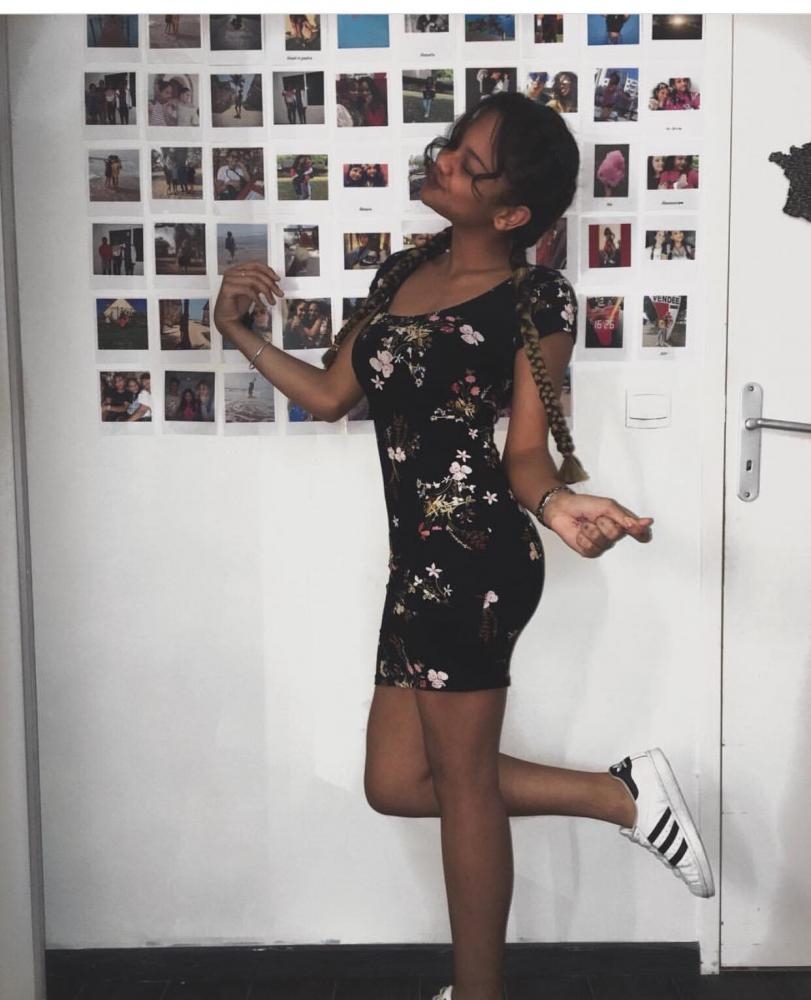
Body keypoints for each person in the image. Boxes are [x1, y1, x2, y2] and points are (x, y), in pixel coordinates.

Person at [213, 91, 714, 1000]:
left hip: (477, 559)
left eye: (467, 164)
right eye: (450, 145)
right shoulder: (403, 270)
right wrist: (236, 332)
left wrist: (557, 505)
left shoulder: (534, 298)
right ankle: (618, 795)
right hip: (416, 563)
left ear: (511, 213)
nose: (441, 160)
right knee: (398, 782)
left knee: (464, 787)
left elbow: (523, 452)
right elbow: (330, 396)